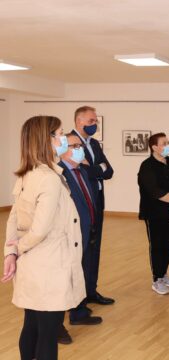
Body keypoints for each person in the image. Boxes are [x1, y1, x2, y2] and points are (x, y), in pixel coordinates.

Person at [2, 116, 85, 360]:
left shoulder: (28, 174)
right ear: (45, 138)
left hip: (34, 265)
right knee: (47, 332)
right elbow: (39, 230)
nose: (64, 139)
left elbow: (12, 219)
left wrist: (11, 251)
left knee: (32, 326)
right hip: (49, 266)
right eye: (59, 134)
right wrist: (15, 249)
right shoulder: (49, 179)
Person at [57, 133, 103, 344]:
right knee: (64, 279)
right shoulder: (59, 174)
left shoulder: (82, 171)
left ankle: (78, 311)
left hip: (86, 231)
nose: (79, 149)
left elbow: (89, 200)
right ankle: (56, 326)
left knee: (80, 273)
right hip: (68, 236)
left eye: (79, 146)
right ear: (63, 149)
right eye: (74, 146)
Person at [72, 106, 115, 305]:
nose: (94, 124)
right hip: (81, 202)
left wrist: (95, 168)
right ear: (79, 121)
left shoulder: (94, 144)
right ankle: (77, 296)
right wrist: (98, 169)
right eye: (91, 121)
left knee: (94, 247)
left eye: (95, 121)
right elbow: (79, 172)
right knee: (81, 249)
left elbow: (109, 171)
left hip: (97, 200)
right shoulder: (70, 143)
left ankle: (91, 290)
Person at [137, 133, 169, 295]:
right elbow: (155, 191)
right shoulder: (147, 166)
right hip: (154, 213)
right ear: (154, 147)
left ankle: (163, 273)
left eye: (168, 142)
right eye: (164, 143)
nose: (167, 145)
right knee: (157, 245)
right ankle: (157, 279)